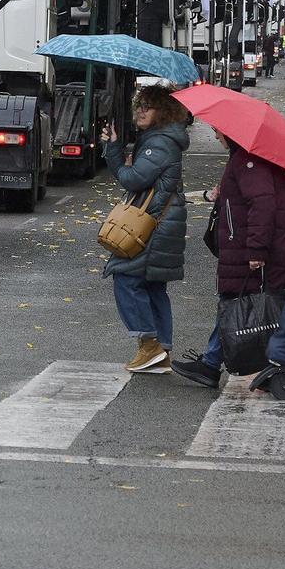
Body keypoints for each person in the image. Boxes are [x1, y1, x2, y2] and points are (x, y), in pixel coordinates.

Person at [170, 135, 285, 387]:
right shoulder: (251, 157)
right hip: (264, 243)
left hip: (256, 246)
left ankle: (215, 365)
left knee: (239, 305)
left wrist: (256, 250)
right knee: (239, 304)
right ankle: (217, 363)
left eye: (218, 131)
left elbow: (262, 204)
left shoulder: (248, 160)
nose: (216, 135)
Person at [103, 86, 191, 373]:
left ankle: (149, 344)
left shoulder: (160, 143)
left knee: (126, 278)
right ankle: (161, 350)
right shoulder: (158, 139)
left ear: (162, 112)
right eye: (139, 104)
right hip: (163, 222)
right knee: (153, 286)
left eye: (148, 106)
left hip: (153, 224)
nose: (140, 110)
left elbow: (132, 179)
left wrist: (114, 151)